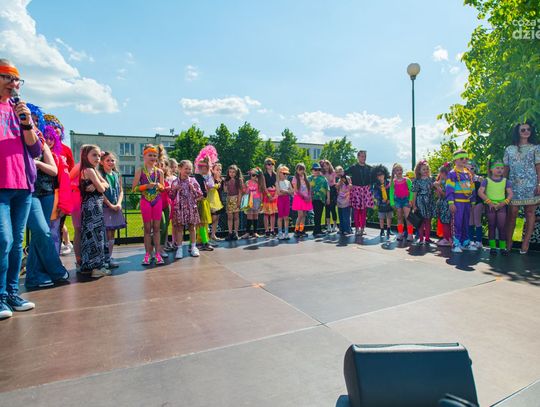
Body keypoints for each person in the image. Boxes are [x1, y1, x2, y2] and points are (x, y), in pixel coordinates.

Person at [0, 59, 42, 319]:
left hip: (22, 186)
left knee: (16, 243)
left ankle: (12, 293)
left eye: (17, 79)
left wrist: (26, 122)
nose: (13, 83)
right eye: (7, 77)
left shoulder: (19, 110)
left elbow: (35, 149)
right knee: (3, 240)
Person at [25, 125, 70, 289]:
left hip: (48, 195)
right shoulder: (23, 143)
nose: (49, 140)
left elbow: (55, 172)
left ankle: (34, 276)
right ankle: (56, 270)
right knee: (42, 232)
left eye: (53, 138)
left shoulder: (44, 146)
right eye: (47, 136)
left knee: (41, 235)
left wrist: (37, 163)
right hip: (30, 193)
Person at [503, 122, 540, 254]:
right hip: (513, 186)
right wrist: (503, 185)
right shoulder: (509, 149)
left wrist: (539, 184)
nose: (526, 132)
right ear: (517, 132)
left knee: (530, 213)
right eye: (523, 130)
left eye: (528, 129)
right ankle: (508, 243)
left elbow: (538, 167)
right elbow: (506, 168)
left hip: (531, 185)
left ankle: (525, 243)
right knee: (512, 214)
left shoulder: (536, 148)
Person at [44, 113, 74, 256]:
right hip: (40, 195)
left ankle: (54, 259)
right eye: (50, 127)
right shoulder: (36, 149)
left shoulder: (64, 151)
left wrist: (65, 201)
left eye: (57, 128)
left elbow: (69, 175)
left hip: (58, 194)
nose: (55, 130)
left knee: (56, 227)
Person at [79, 145, 110, 277]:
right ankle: (96, 268)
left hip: (93, 206)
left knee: (91, 234)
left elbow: (106, 184)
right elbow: (103, 189)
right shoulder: (90, 171)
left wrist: (96, 185)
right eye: (94, 155)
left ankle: (89, 265)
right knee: (94, 235)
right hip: (92, 207)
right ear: (85, 156)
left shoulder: (93, 170)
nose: (97, 158)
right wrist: (99, 186)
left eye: (98, 155)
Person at [132, 144, 165, 265]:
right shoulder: (140, 171)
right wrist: (146, 186)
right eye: (150, 155)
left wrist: (159, 186)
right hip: (145, 200)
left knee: (157, 228)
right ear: (144, 156)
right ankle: (147, 254)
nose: (152, 158)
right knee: (147, 228)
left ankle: (157, 254)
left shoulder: (160, 172)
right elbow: (134, 188)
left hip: (157, 200)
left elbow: (163, 188)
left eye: (154, 156)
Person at [478, 159, 513, 255]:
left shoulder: (506, 181)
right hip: (490, 206)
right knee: (491, 226)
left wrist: (504, 203)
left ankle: (502, 248)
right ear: (491, 169)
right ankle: (492, 247)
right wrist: (489, 202)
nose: (500, 170)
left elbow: (510, 194)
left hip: (501, 206)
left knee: (502, 227)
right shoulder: (486, 180)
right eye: (497, 168)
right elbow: (480, 192)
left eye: (502, 168)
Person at [169, 160, 202, 259]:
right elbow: (171, 196)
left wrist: (193, 189)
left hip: (191, 207)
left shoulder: (193, 181)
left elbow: (200, 195)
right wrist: (174, 189)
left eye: (190, 169)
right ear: (180, 168)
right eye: (186, 168)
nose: (188, 171)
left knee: (192, 227)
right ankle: (179, 248)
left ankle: (193, 247)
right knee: (179, 228)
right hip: (179, 208)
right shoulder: (175, 182)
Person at [446, 149, 477, 253]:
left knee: (465, 223)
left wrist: (473, 201)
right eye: (462, 158)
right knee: (457, 223)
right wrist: (451, 202)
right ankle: (456, 244)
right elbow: (449, 189)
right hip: (457, 203)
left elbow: (472, 188)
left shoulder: (468, 173)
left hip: (466, 203)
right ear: (455, 160)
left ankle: (465, 243)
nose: (465, 160)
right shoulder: (452, 174)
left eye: (466, 158)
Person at [100, 151, 126, 268]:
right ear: (102, 162)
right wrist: (110, 205)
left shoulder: (116, 175)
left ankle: (109, 256)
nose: (111, 162)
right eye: (108, 160)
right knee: (106, 232)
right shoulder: (101, 175)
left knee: (112, 232)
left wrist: (118, 203)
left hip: (115, 207)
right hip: (106, 207)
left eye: (112, 160)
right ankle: (104, 257)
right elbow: (101, 193)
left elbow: (121, 191)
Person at [194, 146, 218, 251]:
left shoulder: (203, 177)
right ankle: (203, 242)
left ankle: (201, 241)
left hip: (203, 201)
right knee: (201, 223)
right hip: (199, 202)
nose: (206, 169)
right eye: (201, 166)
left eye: (207, 166)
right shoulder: (197, 177)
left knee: (203, 223)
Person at [345, 150, 374, 236]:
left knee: (364, 211)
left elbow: (375, 177)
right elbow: (343, 174)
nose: (363, 158)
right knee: (356, 211)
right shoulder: (353, 167)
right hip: (356, 190)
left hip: (365, 190)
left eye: (365, 156)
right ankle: (357, 229)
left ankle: (363, 229)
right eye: (362, 156)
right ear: (358, 157)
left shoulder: (369, 168)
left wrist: (371, 184)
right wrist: (348, 184)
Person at [412, 160, 436, 245]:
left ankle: (428, 238)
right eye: (423, 169)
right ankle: (421, 238)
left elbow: (434, 189)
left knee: (428, 221)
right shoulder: (416, 181)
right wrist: (414, 205)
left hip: (429, 201)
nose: (425, 171)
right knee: (421, 221)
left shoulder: (431, 179)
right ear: (419, 171)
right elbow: (414, 193)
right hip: (420, 202)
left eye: (427, 169)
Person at [390, 163, 414, 241]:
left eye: (400, 170)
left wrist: (410, 200)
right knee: (399, 217)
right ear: (394, 172)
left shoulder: (407, 180)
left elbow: (411, 190)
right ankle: (400, 233)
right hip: (397, 201)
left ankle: (410, 234)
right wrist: (392, 203)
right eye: (397, 170)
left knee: (408, 218)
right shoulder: (393, 182)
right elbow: (391, 192)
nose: (399, 171)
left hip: (406, 200)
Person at [242, 167, 265, 239]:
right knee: (249, 216)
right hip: (249, 200)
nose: (254, 177)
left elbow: (261, 193)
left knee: (255, 216)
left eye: (256, 175)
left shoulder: (259, 183)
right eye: (253, 175)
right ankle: (247, 233)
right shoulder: (247, 182)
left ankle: (255, 232)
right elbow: (245, 192)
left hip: (257, 200)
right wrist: (247, 188)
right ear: (250, 175)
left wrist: (261, 203)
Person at [308, 162, 330, 238]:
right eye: (315, 170)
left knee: (319, 214)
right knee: (316, 215)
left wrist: (328, 198)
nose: (317, 171)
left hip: (321, 199)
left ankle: (317, 230)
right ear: (312, 170)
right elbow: (307, 188)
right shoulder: (309, 178)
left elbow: (327, 189)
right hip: (313, 199)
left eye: (318, 170)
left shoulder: (323, 178)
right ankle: (316, 231)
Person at [371, 164, 393, 239]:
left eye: (381, 174)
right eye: (378, 175)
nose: (380, 176)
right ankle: (382, 230)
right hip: (381, 203)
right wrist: (380, 199)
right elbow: (375, 194)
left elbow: (391, 192)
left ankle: (389, 230)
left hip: (389, 203)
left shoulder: (389, 183)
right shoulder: (376, 185)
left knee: (389, 216)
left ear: (384, 174)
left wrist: (390, 199)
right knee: (381, 217)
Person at [434, 164, 452, 247]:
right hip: (444, 204)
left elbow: (445, 195)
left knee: (445, 222)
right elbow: (439, 195)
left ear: (443, 173)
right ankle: (449, 238)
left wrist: (438, 187)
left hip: (446, 204)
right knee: (447, 222)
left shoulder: (447, 182)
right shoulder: (446, 181)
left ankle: (446, 239)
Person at [292, 163, 312, 238]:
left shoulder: (305, 178)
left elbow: (309, 188)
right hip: (299, 198)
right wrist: (303, 196)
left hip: (306, 198)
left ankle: (301, 229)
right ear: (297, 170)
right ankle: (296, 230)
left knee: (304, 215)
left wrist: (309, 196)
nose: (302, 171)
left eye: (303, 169)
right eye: (300, 169)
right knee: (300, 215)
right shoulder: (295, 178)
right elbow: (296, 190)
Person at [467, 161, 484, 248]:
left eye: (472, 168)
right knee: (470, 221)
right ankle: (471, 240)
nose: (470, 170)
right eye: (468, 168)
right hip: (469, 202)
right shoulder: (464, 179)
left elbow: (483, 191)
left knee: (477, 221)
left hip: (478, 201)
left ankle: (479, 241)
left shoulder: (479, 179)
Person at [224, 164, 243, 241]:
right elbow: (225, 191)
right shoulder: (227, 181)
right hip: (229, 199)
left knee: (236, 217)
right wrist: (225, 184)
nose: (231, 173)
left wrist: (239, 202)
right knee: (229, 217)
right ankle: (230, 233)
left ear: (236, 173)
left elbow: (240, 192)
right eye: (230, 172)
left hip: (236, 199)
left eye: (233, 172)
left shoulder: (239, 180)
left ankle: (236, 233)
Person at [262, 158, 278, 237]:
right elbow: (264, 187)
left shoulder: (276, 175)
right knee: (266, 214)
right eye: (269, 164)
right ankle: (266, 230)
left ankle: (272, 229)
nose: (271, 165)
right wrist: (269, 195)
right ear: (265, 165)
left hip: (274, 195)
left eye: (272, 164)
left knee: (273, 214)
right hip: (267, 195)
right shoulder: (263, 175)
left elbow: (277, 185)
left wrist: (275, 196)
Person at [275, 165, 293, 240]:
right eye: (284, 173)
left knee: (286, 217)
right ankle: (280, 233)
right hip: (280, 200)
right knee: (280, 217)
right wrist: (287, 192)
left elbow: (292, 192)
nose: (285, 175)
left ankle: (286, 233)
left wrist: (285, 191)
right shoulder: (277, 182)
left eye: (286, 174)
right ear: (279, 173)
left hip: (287, 200)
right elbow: (279, 193)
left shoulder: (288, 182)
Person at [321, 159, 338, 234]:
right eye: (324, 166)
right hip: (325, 191)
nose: (326, 167)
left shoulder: (333, 172)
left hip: (332, 190)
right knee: (327, 208)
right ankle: (328, 225)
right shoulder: (322, 173)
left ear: (329, 165)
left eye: (327, 165)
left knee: (333, 208)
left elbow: (340, 176)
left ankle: (335, 225)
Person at [165, 158, 179, 250]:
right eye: (172, 167)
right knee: (166, 223)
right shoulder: (165, 177)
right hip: (167, 200)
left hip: (175, 201)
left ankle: (174, 241)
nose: (174, 169)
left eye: (175, 167)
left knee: (175, 223)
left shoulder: (176, 178)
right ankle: (165, 241)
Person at [209, 163, 225, 241]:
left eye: (220, 170)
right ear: (213, 170)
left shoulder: (221, 179)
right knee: (212, 218)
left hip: (219, 200)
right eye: (217, 169)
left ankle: (213, 235)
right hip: (212, 201)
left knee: (217, 218)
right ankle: (207, 235)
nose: (219, 171)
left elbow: (224, 190)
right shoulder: (210, 178)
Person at [335, 166, 353, 236]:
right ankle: (341, 229)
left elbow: (350, 187)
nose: (339, 173)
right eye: (337, 172)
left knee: (346, 216)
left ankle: (347, 229)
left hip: (346, 199)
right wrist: (338, 184)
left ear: (343, 171)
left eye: (340, 171)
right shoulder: (338, 180)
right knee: (341, 216)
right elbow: (337, 189)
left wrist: (346, 183)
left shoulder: (347, 178)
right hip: (340, 200)